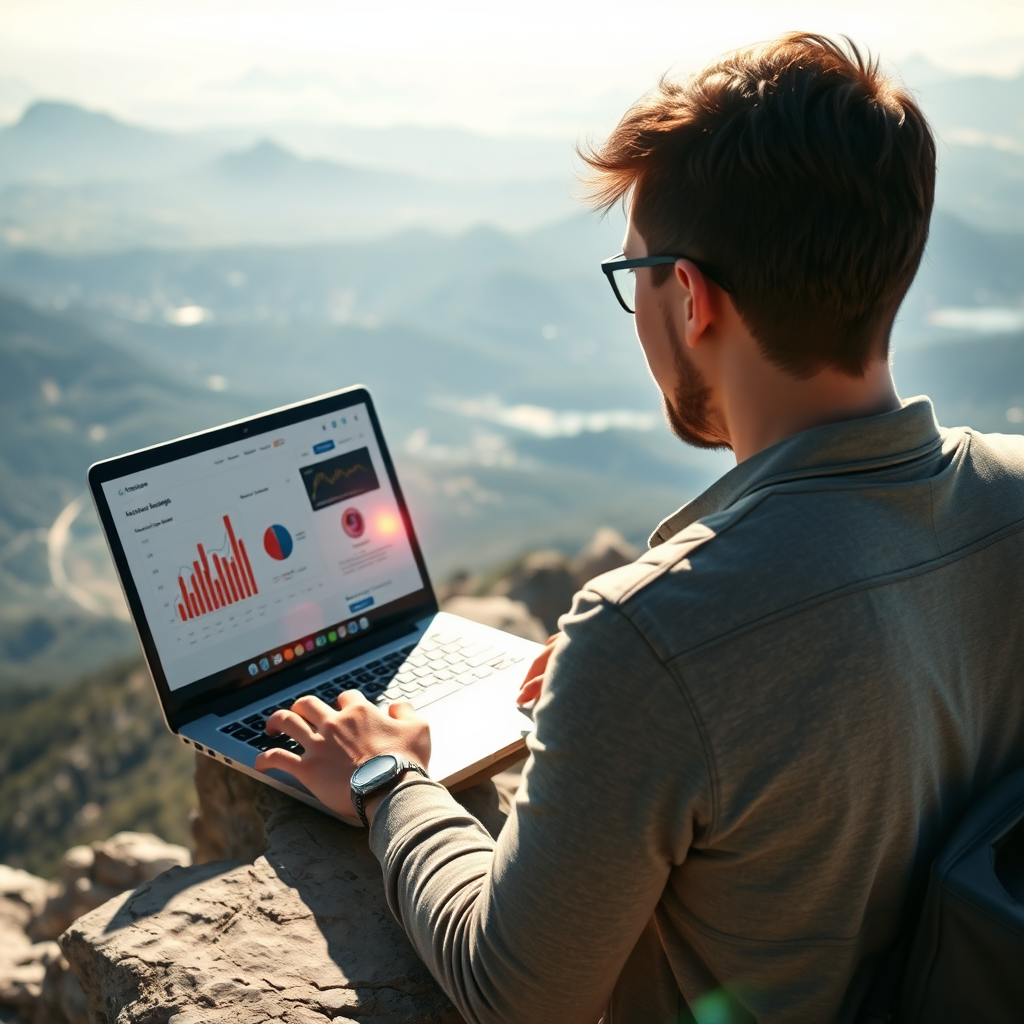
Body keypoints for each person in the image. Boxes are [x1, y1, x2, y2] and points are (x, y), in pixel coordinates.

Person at [254, 33, 1024, 1024]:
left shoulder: (651, 637)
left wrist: (383, 776)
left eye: (635, 276)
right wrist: (609, 725)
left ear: (692, 297)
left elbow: (513, 994)